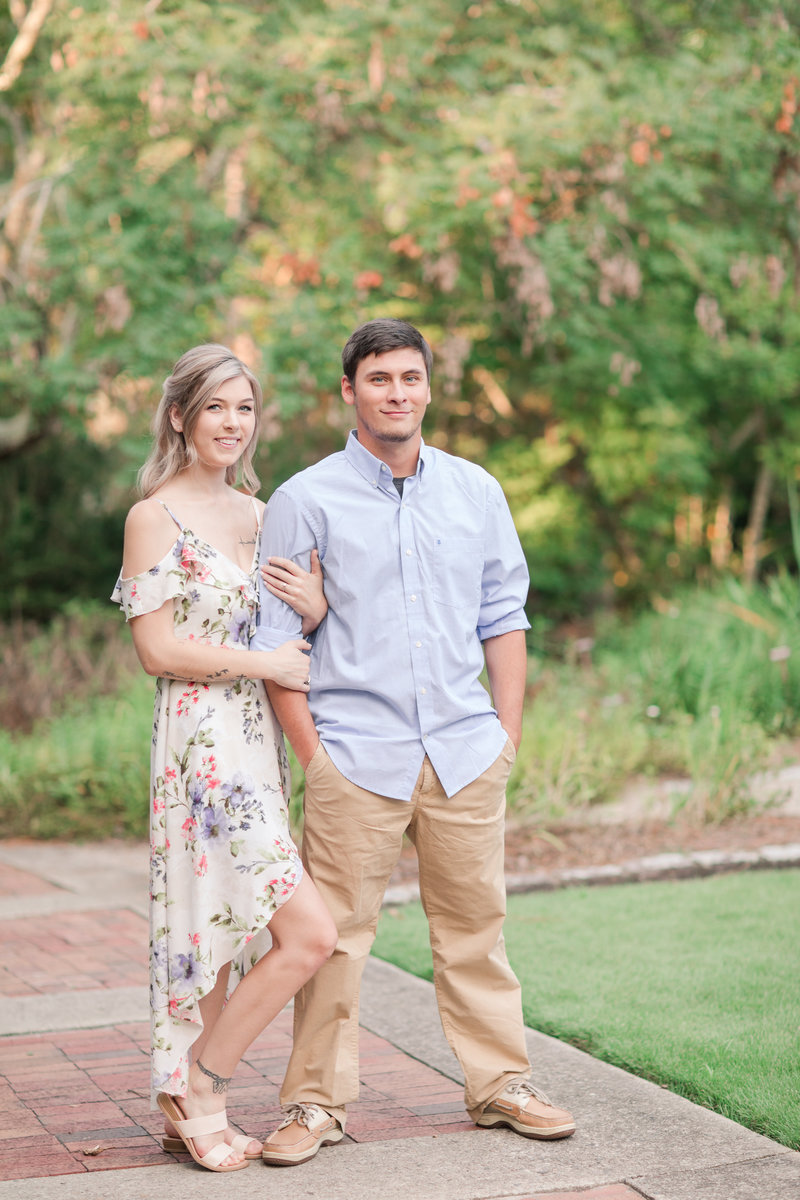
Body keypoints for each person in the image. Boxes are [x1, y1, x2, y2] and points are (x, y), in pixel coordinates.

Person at [253, 317, 576, 1167]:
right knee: (333, 940)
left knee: (476, 929)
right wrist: (314, 760)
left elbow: (504, 617)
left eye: (410, 378)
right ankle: (316, 1104)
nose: (397, 393)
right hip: (354, 756)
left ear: (429, 387)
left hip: (465, 753)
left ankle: (501, 1084)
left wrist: (505, 736)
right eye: (379, 379)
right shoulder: (305, 499)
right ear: (349, 392)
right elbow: (278, 649)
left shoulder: (476, 490)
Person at [111, 344, 337, 1173]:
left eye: (244, 408)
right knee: (308, 933)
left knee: (222, 921)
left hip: (260, 742)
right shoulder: (153, 516)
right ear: (180, 416)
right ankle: (197, 1083)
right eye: (215, 408)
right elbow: (158, 648)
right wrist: (268, 666)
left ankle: (192, 1101)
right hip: (201, 746)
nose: (232, 424)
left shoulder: (260, 511)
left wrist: (312, 611)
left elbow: (289, 626)